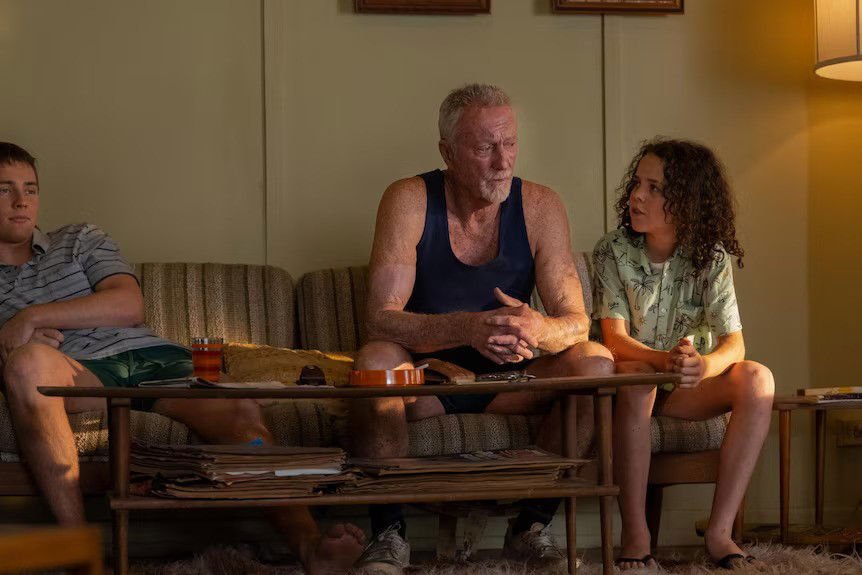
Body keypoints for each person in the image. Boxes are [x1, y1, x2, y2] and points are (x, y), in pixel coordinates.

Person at [0, 142, 364, 575]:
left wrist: (29, 317)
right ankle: (81, 556)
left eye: (30, 188)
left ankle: (311, 549)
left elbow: (127, 304)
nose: (22, 200)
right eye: (4, 189)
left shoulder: (79, 239)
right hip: (82, 375)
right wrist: (9, 341)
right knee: (26, 364)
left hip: (154, 358)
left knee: (237, 414)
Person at [349, 84, 614, 574]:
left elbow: (576, 323)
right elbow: (380, 317)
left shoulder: (540, 206)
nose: (502, 161)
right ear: (447, 153)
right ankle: (388, 537)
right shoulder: (408, 198)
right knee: (374, 361)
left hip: (513, 383)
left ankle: (531, 527)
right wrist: (467, 327)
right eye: (484, 147)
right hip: (429, 379)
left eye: (509, 143)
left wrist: (538, 328)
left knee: (596, 360)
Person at [592, 138, 774, 571]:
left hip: (687, 387)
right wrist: (664, 363)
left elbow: (735, 343)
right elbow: (614, 340)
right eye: (638, 184)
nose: (637, 195)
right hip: (635, 384)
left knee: (758, 378)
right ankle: (636, 536)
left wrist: (702, 366)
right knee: (636, 377)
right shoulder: (612, 251)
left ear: (687, 201)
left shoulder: (711, 257)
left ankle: (719, 532)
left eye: (654, 188)